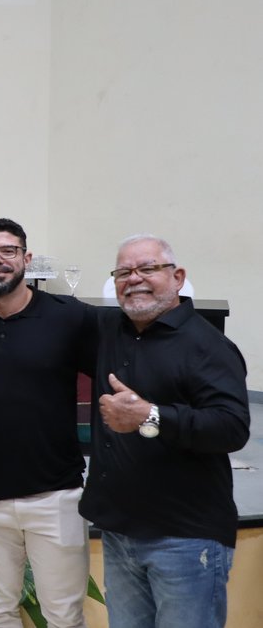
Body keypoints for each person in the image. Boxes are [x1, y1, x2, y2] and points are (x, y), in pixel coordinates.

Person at [79, 235, 250, 628]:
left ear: (177, 277)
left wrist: (150, 415)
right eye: (123, 272)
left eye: (147, 269)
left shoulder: (208, 346)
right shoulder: (111, 329)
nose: (134, 279)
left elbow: (231, 427)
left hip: (185, 539)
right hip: (120, 533)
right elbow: (51, 311)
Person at [0, 218, 96, 628]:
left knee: (64, 616)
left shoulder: (71, 318)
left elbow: (118, 371)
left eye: (8, 251)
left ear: (27, 259)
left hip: (56, 496)